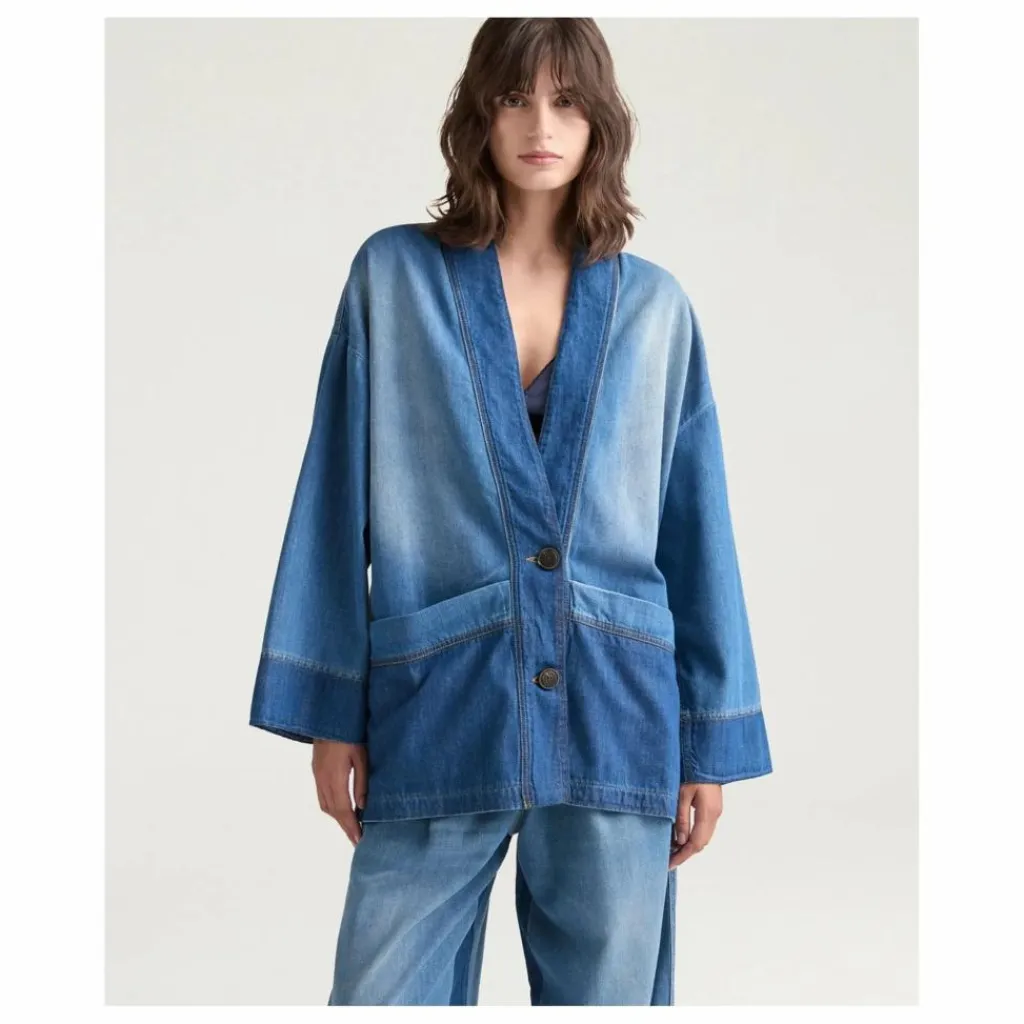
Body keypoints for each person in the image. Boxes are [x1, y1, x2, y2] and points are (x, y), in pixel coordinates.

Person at [249, 17, 773, 1006]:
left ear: (600, 121)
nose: (540, 125)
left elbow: (696, 531)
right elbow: (334, 497)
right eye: (513, 98)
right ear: (476, 116)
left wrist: (709, 740)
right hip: (437, 702)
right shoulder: (393, 280)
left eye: (567, 101)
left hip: (617, 714)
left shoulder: (656, 309)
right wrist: (330, 710)